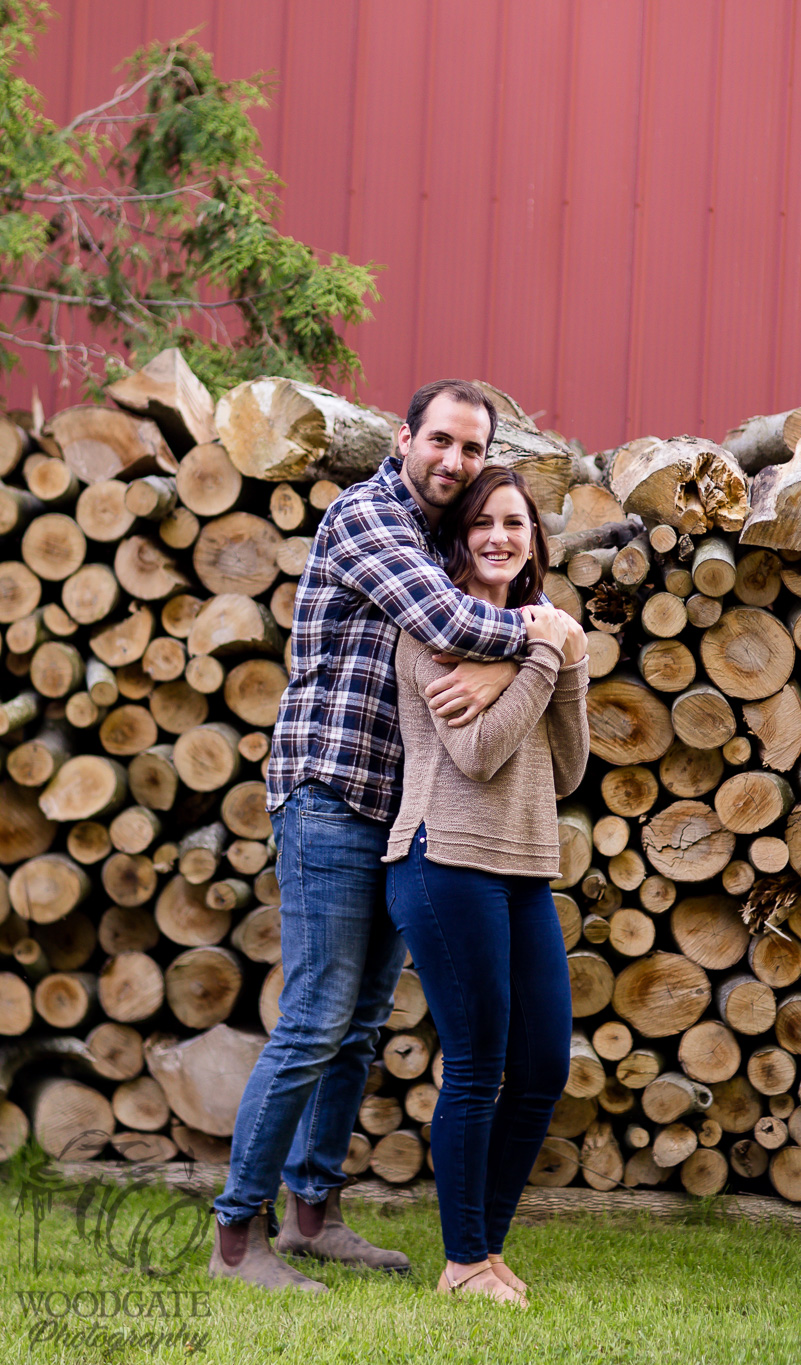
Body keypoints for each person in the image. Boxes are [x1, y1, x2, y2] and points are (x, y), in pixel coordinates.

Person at [210, 380, 556, 1291]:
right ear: (403, 438)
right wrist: (544, 629)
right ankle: (236, 1237)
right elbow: (449, 623)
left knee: (360, 1025)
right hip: (327, 789)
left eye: (473, 449)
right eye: (441, 440)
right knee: (318, 1012)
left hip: (400, 811)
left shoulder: (446, 537)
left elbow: (466, 652)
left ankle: (313, 1214)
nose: (455, 461)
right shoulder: (370, 516)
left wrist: (497, 666)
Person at [384, 465, 590, 1306]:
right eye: (484, 523)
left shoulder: (532, 636)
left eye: (517, 522)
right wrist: (547, 652)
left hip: (523, 867)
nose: (502, 536)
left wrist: (564, 669)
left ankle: (486, 1248)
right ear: (460, 537)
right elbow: (477, 754)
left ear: (534, 538)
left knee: (542, 1063)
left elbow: (568, 768)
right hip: (445, 860)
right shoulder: (434, 630)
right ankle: (463, 1260)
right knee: (477, 1065)